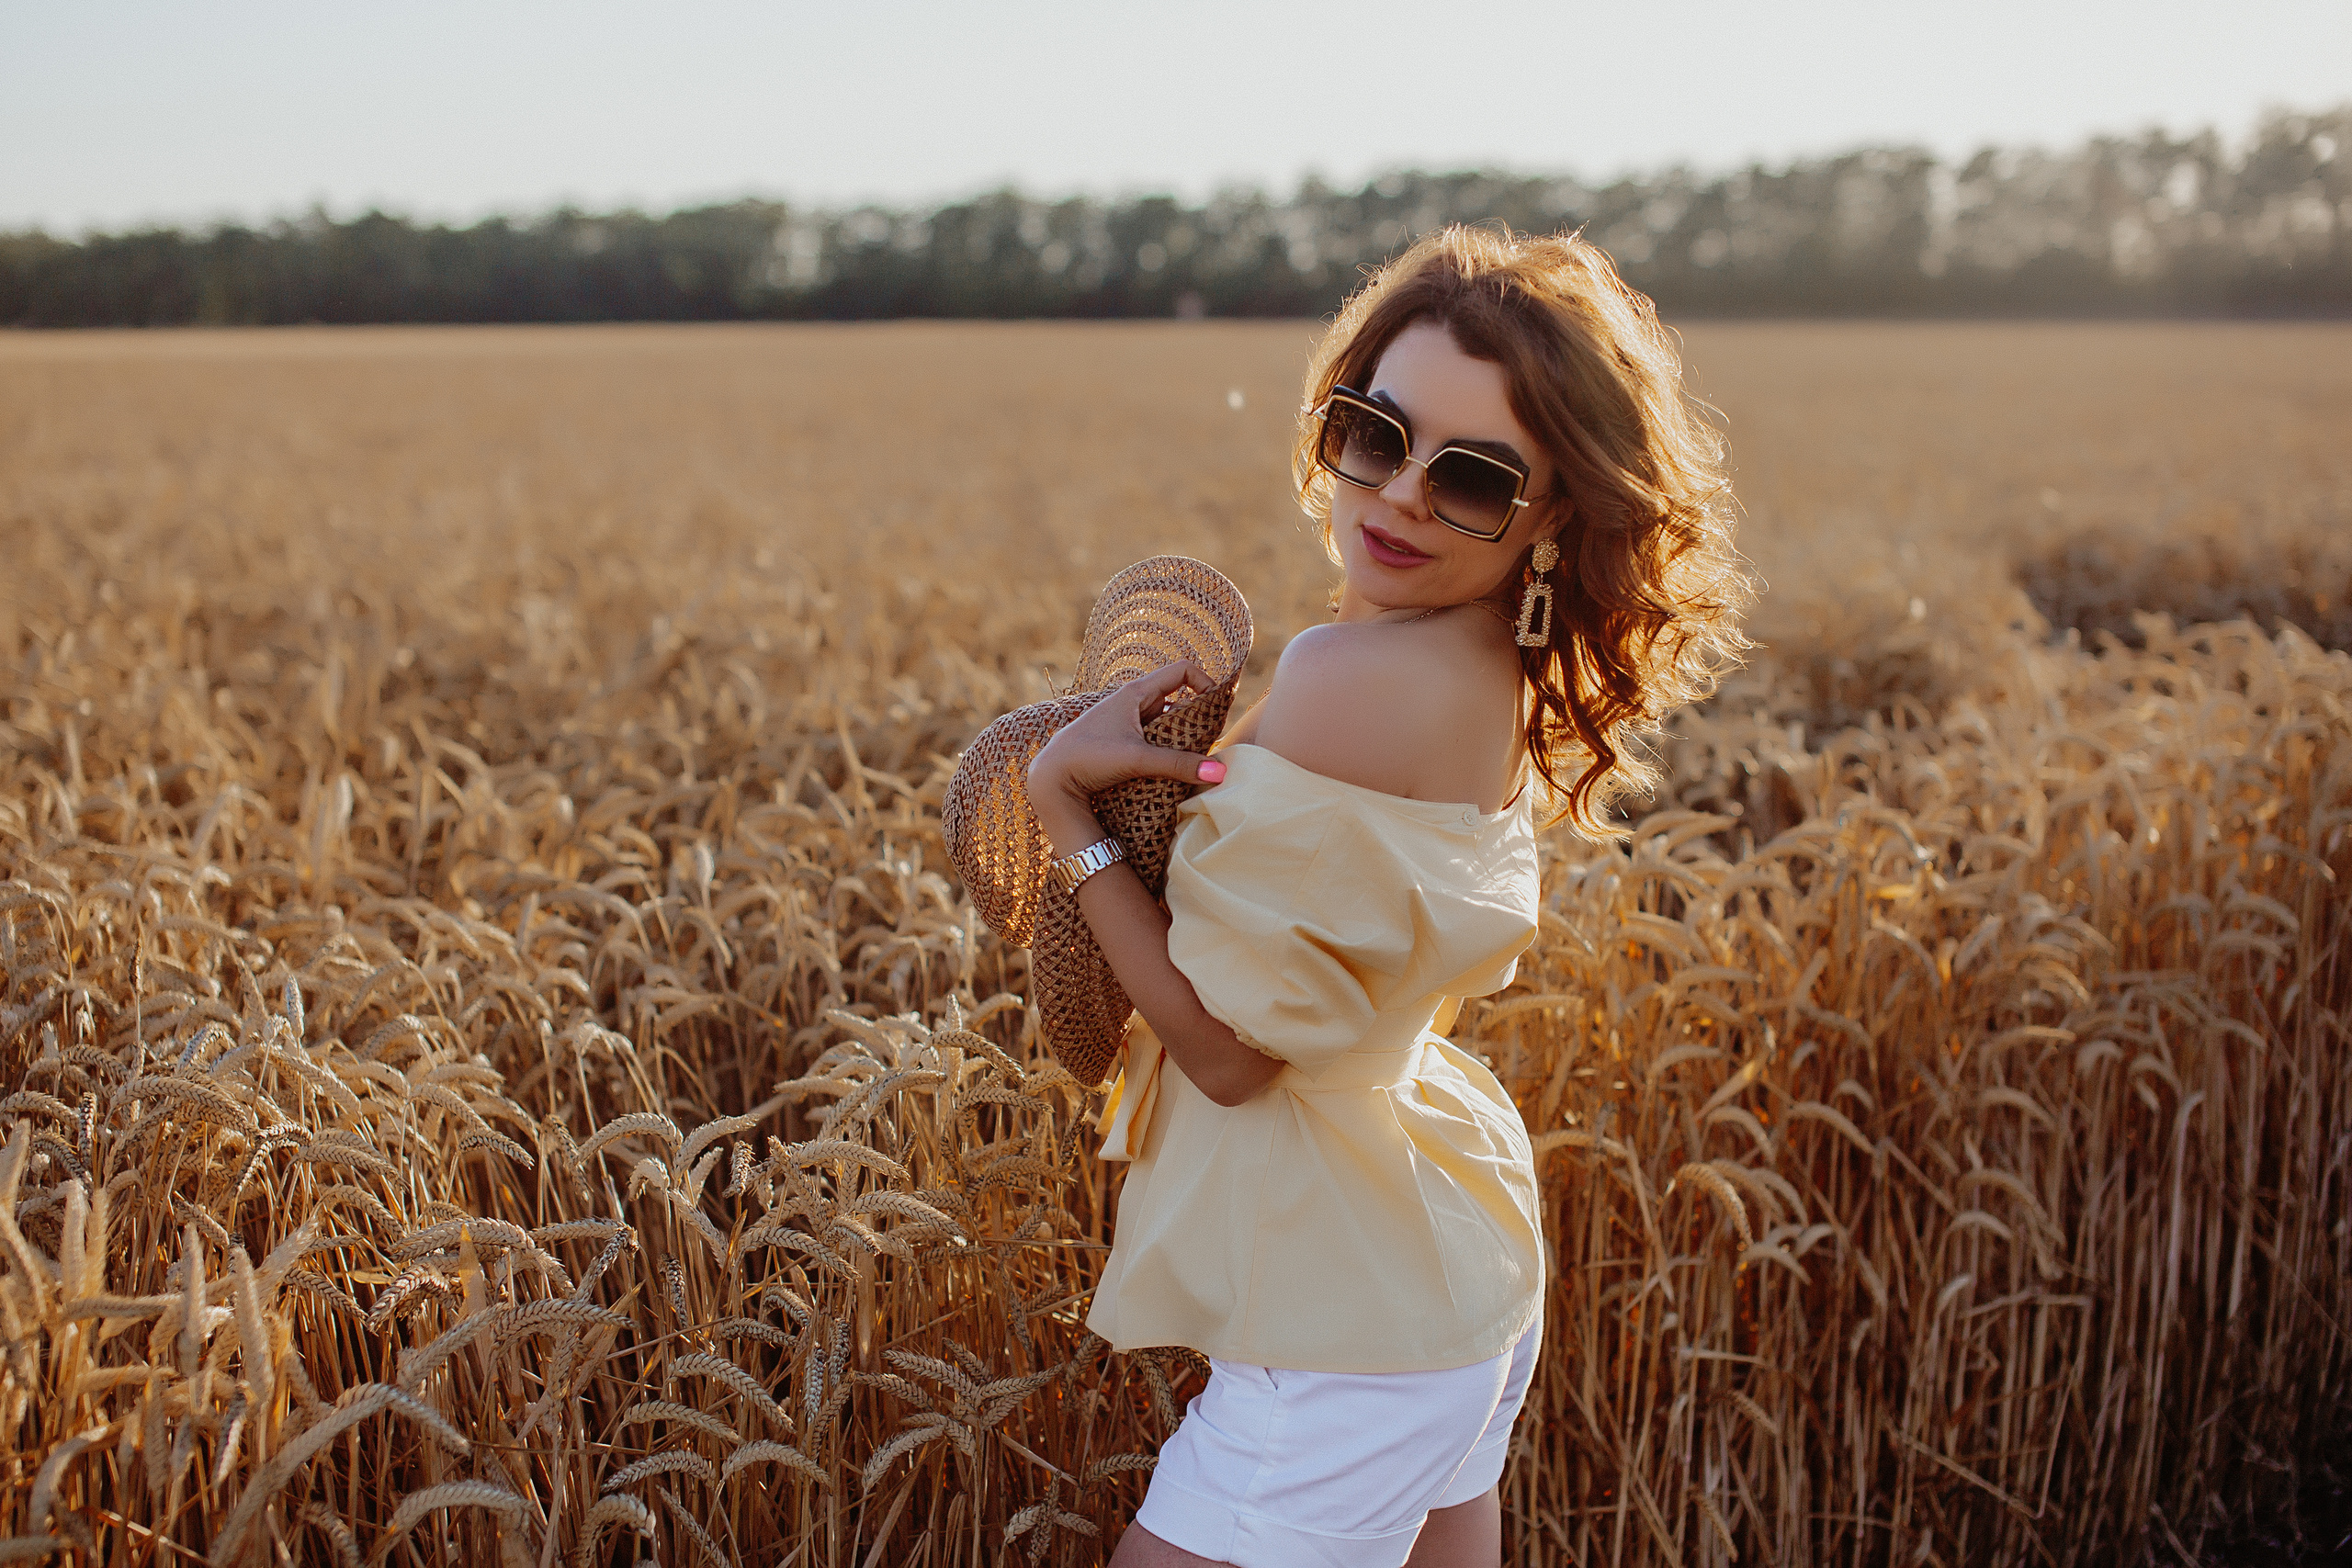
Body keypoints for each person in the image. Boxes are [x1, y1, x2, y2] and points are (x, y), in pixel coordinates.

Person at [1023, 225, 1749, 1568]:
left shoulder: (1350, 679)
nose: (1404, 495)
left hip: (1341, 1325)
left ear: (1552, 514)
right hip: (1443, 1269)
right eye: (1375, 434)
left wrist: (1068, 813)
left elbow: (1231, 1056)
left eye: (1473, 475)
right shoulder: (1488, 663)